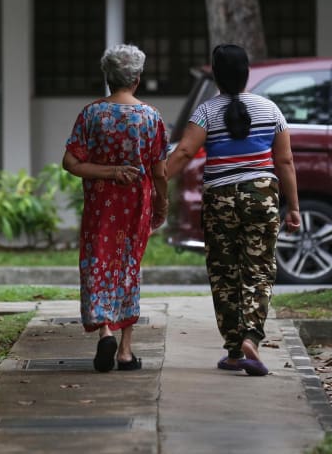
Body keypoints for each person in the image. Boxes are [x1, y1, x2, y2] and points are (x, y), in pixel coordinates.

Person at [166, 43, 301, 376]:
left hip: (220, 200)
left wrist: (155, 182)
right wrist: (294, 206)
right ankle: (252, 336)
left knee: (224, 273)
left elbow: (184, 153)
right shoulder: (270, 110)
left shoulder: (206, 112)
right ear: (246, 73)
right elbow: (284, 161)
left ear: (215, 75)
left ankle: (234, 350)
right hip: (262, 198)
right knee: (259, 269)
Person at [63, 44, 168, 373]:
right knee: (128, 268)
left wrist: (107, 172)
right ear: (137, 79)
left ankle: (105, 330)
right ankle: (125, 350)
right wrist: (163, 202)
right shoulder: (150, 117)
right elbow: (160, 171)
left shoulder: (92, 114)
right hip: (135, 205)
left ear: (108, 78)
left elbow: (71, 162)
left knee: (98, 262)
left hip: (100, 206)